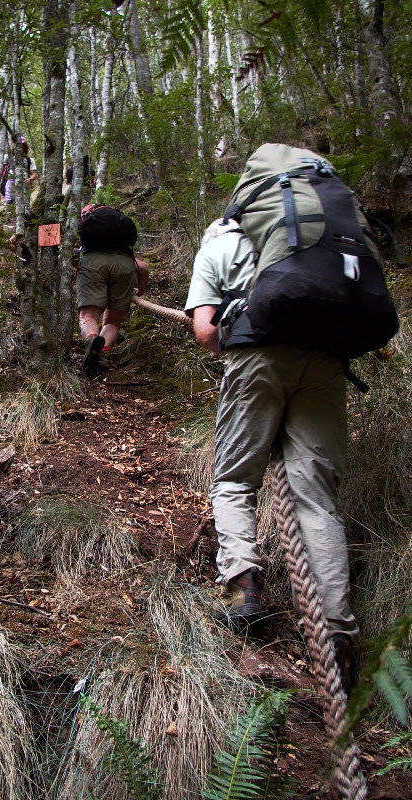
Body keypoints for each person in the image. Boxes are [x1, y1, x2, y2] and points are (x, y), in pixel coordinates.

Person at [184, 217, 358, 692]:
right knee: (317, 500)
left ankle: (243, 590)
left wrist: (236, 341)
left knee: (235, 480)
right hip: (324, 364)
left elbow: (204, 333)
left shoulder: (217, 250)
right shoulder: (311, 247)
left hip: (257, 361)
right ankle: (336, 632)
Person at [76, 204, 148, 378]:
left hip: (93, 262)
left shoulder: (90, 229)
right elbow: (143, 268)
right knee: (113, 322)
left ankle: (93, 338)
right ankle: (103, 350)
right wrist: (139, 292)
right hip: (125, 265)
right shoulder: (121, 233)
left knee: (88, 315)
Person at [3, 136, 38, 209]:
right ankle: (9, 218)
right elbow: (3, 169)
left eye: (21, 146)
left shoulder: (29, 160)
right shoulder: (8, 157)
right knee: (9, 200)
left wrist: (30, 179)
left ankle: (25, 217)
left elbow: (34, 174)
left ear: (24, 148)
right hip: (11, 181)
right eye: (17, 146)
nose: (19, 148)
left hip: (24, 182)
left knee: (25, 203)